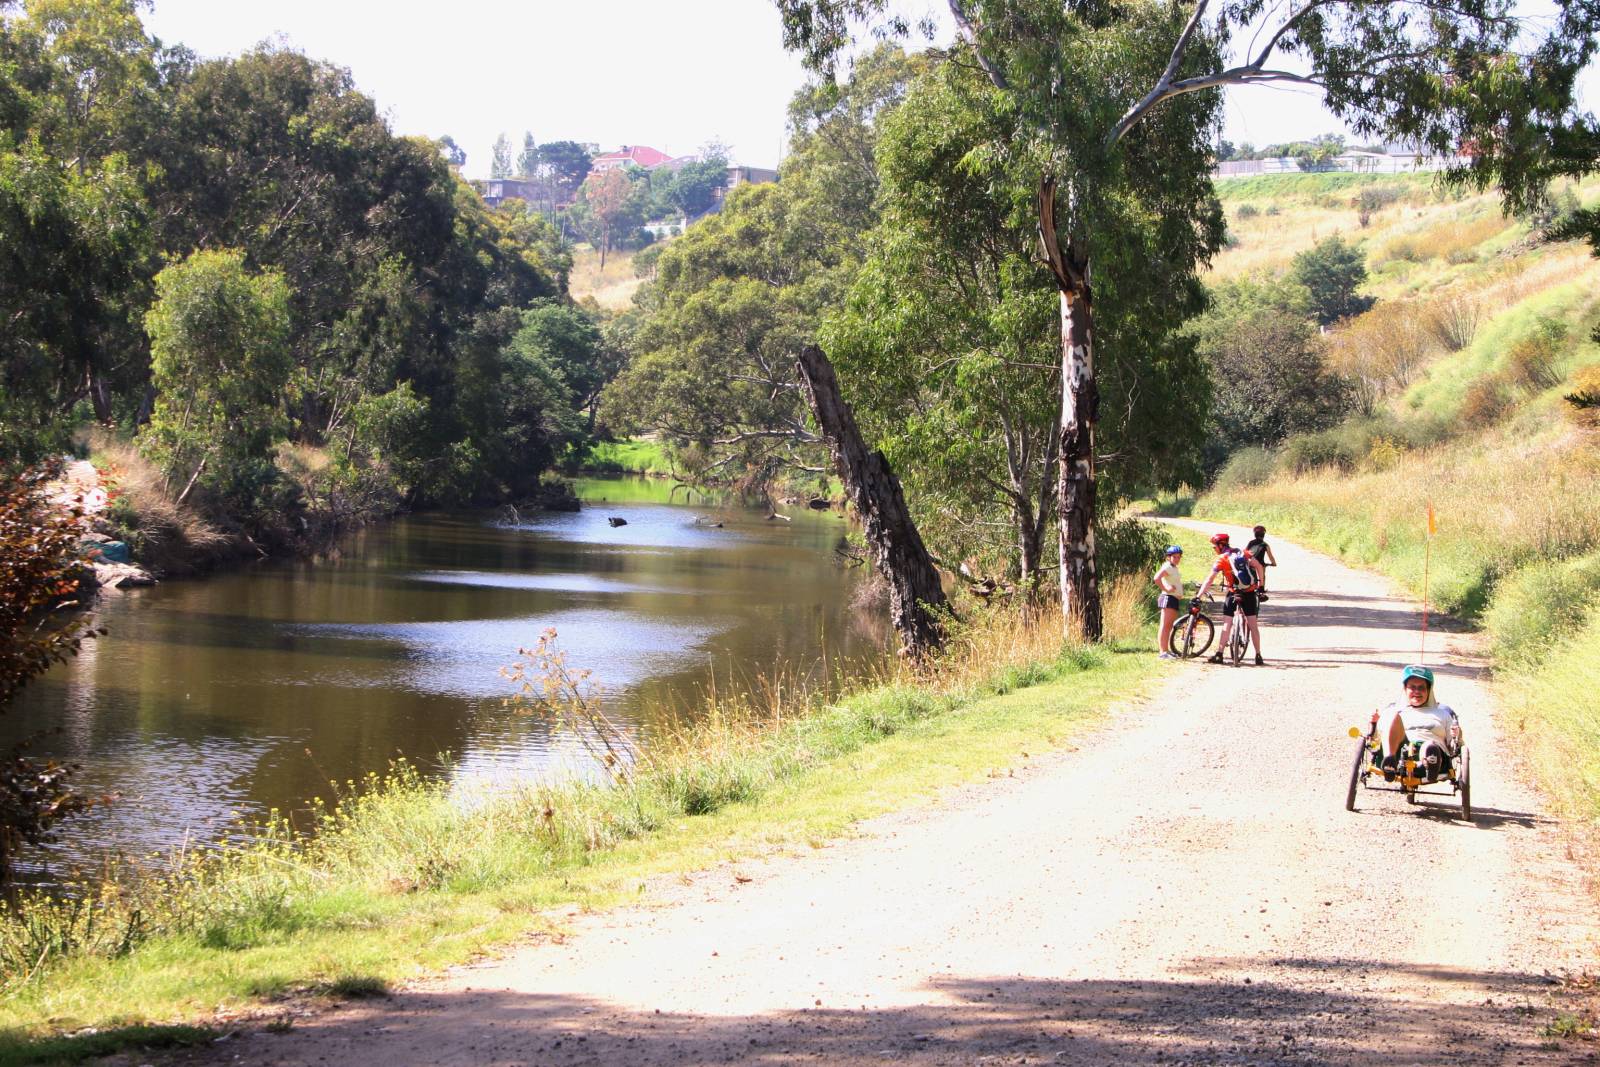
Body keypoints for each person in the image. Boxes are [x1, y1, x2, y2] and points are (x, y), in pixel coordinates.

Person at [1377, 665, 1462, 781]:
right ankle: (1390, 762)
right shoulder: (1394, 710)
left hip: (1435, 753)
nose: (1417, 692)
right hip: (1401, 752)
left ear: (1428, 691)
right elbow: (1376, 739)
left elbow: (1455, 745)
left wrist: (1457, 734)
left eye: (1421, 688)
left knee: (1429, 746)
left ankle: (1430, 763)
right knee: (1393, 716)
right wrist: (1374, 723)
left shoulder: (1443, 713)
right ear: (1405, 689)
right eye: (1412, 687)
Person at [1193, 531, 1266, 665]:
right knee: (1253, 625)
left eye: (1214, 547)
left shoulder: (1222, 559)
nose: (1214, 549)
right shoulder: (1242, 553)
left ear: (1221, 546)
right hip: (1249, 592)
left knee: (1227, 623)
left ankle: (1220, 654)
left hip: (1233, 592)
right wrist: (1260, 585)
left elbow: (1209, 579)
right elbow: (1259, 567)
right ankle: (1258, 656)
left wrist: (1198, 596)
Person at [1153, 544, 1185, 658]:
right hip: (1168, 598)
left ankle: (1165, 650)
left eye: (1178, 557)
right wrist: (1166, 589)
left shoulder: (1173, 568)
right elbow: (1156, 578)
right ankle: (1163, 652)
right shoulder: (1167, 567)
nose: (1177, 559)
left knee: (1168, 626)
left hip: (1173, 599)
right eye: (1174, 557)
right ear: (1169, 557)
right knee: (1165, 626)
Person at [1245, 525, 1277, 600]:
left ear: (1255, 534)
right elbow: (1270, 556)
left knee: (1250, 573)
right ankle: (1261, 592)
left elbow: (1246, 551)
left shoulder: (1251, 543)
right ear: (1263, 535)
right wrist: (1273, 563)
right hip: (1260, 563)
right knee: (1262, 575)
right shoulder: (1265, 545)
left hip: (1250, 561)